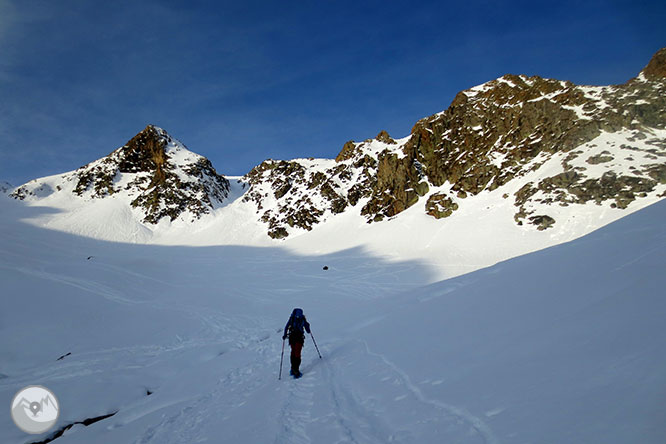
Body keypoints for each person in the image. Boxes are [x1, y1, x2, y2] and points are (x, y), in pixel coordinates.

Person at [282, 308, 311, 378]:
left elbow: (286, 327)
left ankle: (293, 369)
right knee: (297, 353)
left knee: (294, 352)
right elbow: (308, 331)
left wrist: (285, 335)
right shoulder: (302, 319)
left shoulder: (292, 318)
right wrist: (307, 325)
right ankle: (295, 370)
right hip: (298, 338)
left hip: (292, 338)